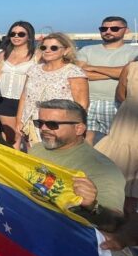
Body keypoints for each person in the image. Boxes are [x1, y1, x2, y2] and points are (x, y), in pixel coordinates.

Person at [25, 99, 126, 256]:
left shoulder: (102, 169)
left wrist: (92, 206)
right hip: (43, 236)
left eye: (53, 123)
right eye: (40, 122)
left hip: (76, 247)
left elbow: (114, 225)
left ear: (80, 128)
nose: (44, 128)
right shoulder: (37, 150)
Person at [16, 33, 88, 149]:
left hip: (57, 126)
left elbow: (81, 105)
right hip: (32, 124)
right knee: (35, 156)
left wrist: (70, 128)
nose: (47, 51)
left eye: (53, 48)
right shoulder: (33, 70)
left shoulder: (73, 72)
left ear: (66, 50)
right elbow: (24, 96)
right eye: (44, 47)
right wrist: (19, 121)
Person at [76, 16, 136, 145]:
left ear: (126, 30)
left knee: (116, 142)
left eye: (114, 28)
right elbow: (79, 73)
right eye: (104, 28)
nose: (108, 31)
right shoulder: (87, 50)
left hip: (116, 103)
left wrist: (92, 67)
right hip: (87, 101)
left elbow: (131, 72)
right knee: (83, 140)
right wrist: (119, 73)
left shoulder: (134, 51)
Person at [96, 60, 138, 215]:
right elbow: (120, 94)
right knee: (123, 163)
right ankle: (122, 214)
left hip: (129, 116)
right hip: (127, 123)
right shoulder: (131, 67)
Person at [0, 21, 37, 146]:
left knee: (29, 138)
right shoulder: (3, 54)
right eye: (13, 34)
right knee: (11, 137)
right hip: (3, 99)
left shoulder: (37, 55)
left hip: (27, 100)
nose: (16, 36)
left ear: (29, 36)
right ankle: (10, 164)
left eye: (21, 34)